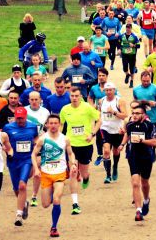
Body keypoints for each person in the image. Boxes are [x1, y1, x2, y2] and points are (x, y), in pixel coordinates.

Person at [31, 115, 78, 238]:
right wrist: (36, 169)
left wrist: (72, 164)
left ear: (59, 124)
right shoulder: (42, 139)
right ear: (47, 125)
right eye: (50, 123)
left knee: (57, 199)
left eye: (55, 123)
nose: (53, 125)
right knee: (46, 204)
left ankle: (54, 227)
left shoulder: (65, 139)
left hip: (60, 173)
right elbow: (34, 154)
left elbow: (70, 153)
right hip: (46, 174)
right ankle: (51, 194)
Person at [60, 87, 101, 215]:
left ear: (80, 97)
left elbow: (99, 120)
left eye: (77, 96)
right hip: (71, 145)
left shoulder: (87, 108)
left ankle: (86, 178)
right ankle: (75, 204)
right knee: (72, 172)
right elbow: (61, 124)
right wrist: (61, 137)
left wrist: (92, 134)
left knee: (83, 173)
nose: (74, 98)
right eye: (72, 96)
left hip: (85, 144)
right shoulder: (65, 109)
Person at [119, 104, 156, 221]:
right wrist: (122, 144)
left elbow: (155, 142)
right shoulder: (129, 125)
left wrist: (143, 141)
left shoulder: (149, 125)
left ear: (143, 115)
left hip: (146, 156)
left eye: (137, 113)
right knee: (135, 183)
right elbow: (127, 134)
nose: (134, 115)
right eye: (133, 113)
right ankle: (138, 210)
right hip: (133, 156)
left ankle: (146, 200)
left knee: (144, 182)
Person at [3, 107, 39, 227]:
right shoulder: (8, 128)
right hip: (13, 161)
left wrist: (37, 151)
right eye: (17, 118)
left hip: (27, 160)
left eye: (22, 118)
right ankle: (24, 204)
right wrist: (8, 151)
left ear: (26, 116)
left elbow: (35, 139)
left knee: (22, 185)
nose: (19, 120)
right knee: (16, 189)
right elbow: (3, 142)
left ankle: (18, 215)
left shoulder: (33, 127)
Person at [99, 82, 127, 183]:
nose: (109, 92)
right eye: (107, 90)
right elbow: (99, 114)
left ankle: (115, 166)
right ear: (104, 91)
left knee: (116, 151)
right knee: (106, 151)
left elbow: (125, 115)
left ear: (114, 90)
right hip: (105, 128)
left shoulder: (119, 101)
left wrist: (114, 112)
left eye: (110, 90)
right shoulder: (101, 101)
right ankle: (108, 175)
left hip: (117, 130)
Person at [132, 71, 156, 142]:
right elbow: (134, 102)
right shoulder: (136, 90)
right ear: (140, 79)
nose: (146, 83)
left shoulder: (155, 88)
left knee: (153, 141)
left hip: (153, 119)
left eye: (148, 81)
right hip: (140, 119)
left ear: (150, 79)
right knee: (140, 141)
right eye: (144, 81)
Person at [120, 23, 141, 88]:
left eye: (129, 28)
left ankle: (131, 81)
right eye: (127, 28)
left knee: (132, 68)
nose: (128, 29)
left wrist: (134, 45)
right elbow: (119, 43)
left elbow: (138, 45)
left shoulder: (134, 36)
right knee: (124, 67)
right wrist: (119, 49)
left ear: (131, 28)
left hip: (132, 54)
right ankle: (127, 74)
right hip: (124, 53)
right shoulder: (122, 36)